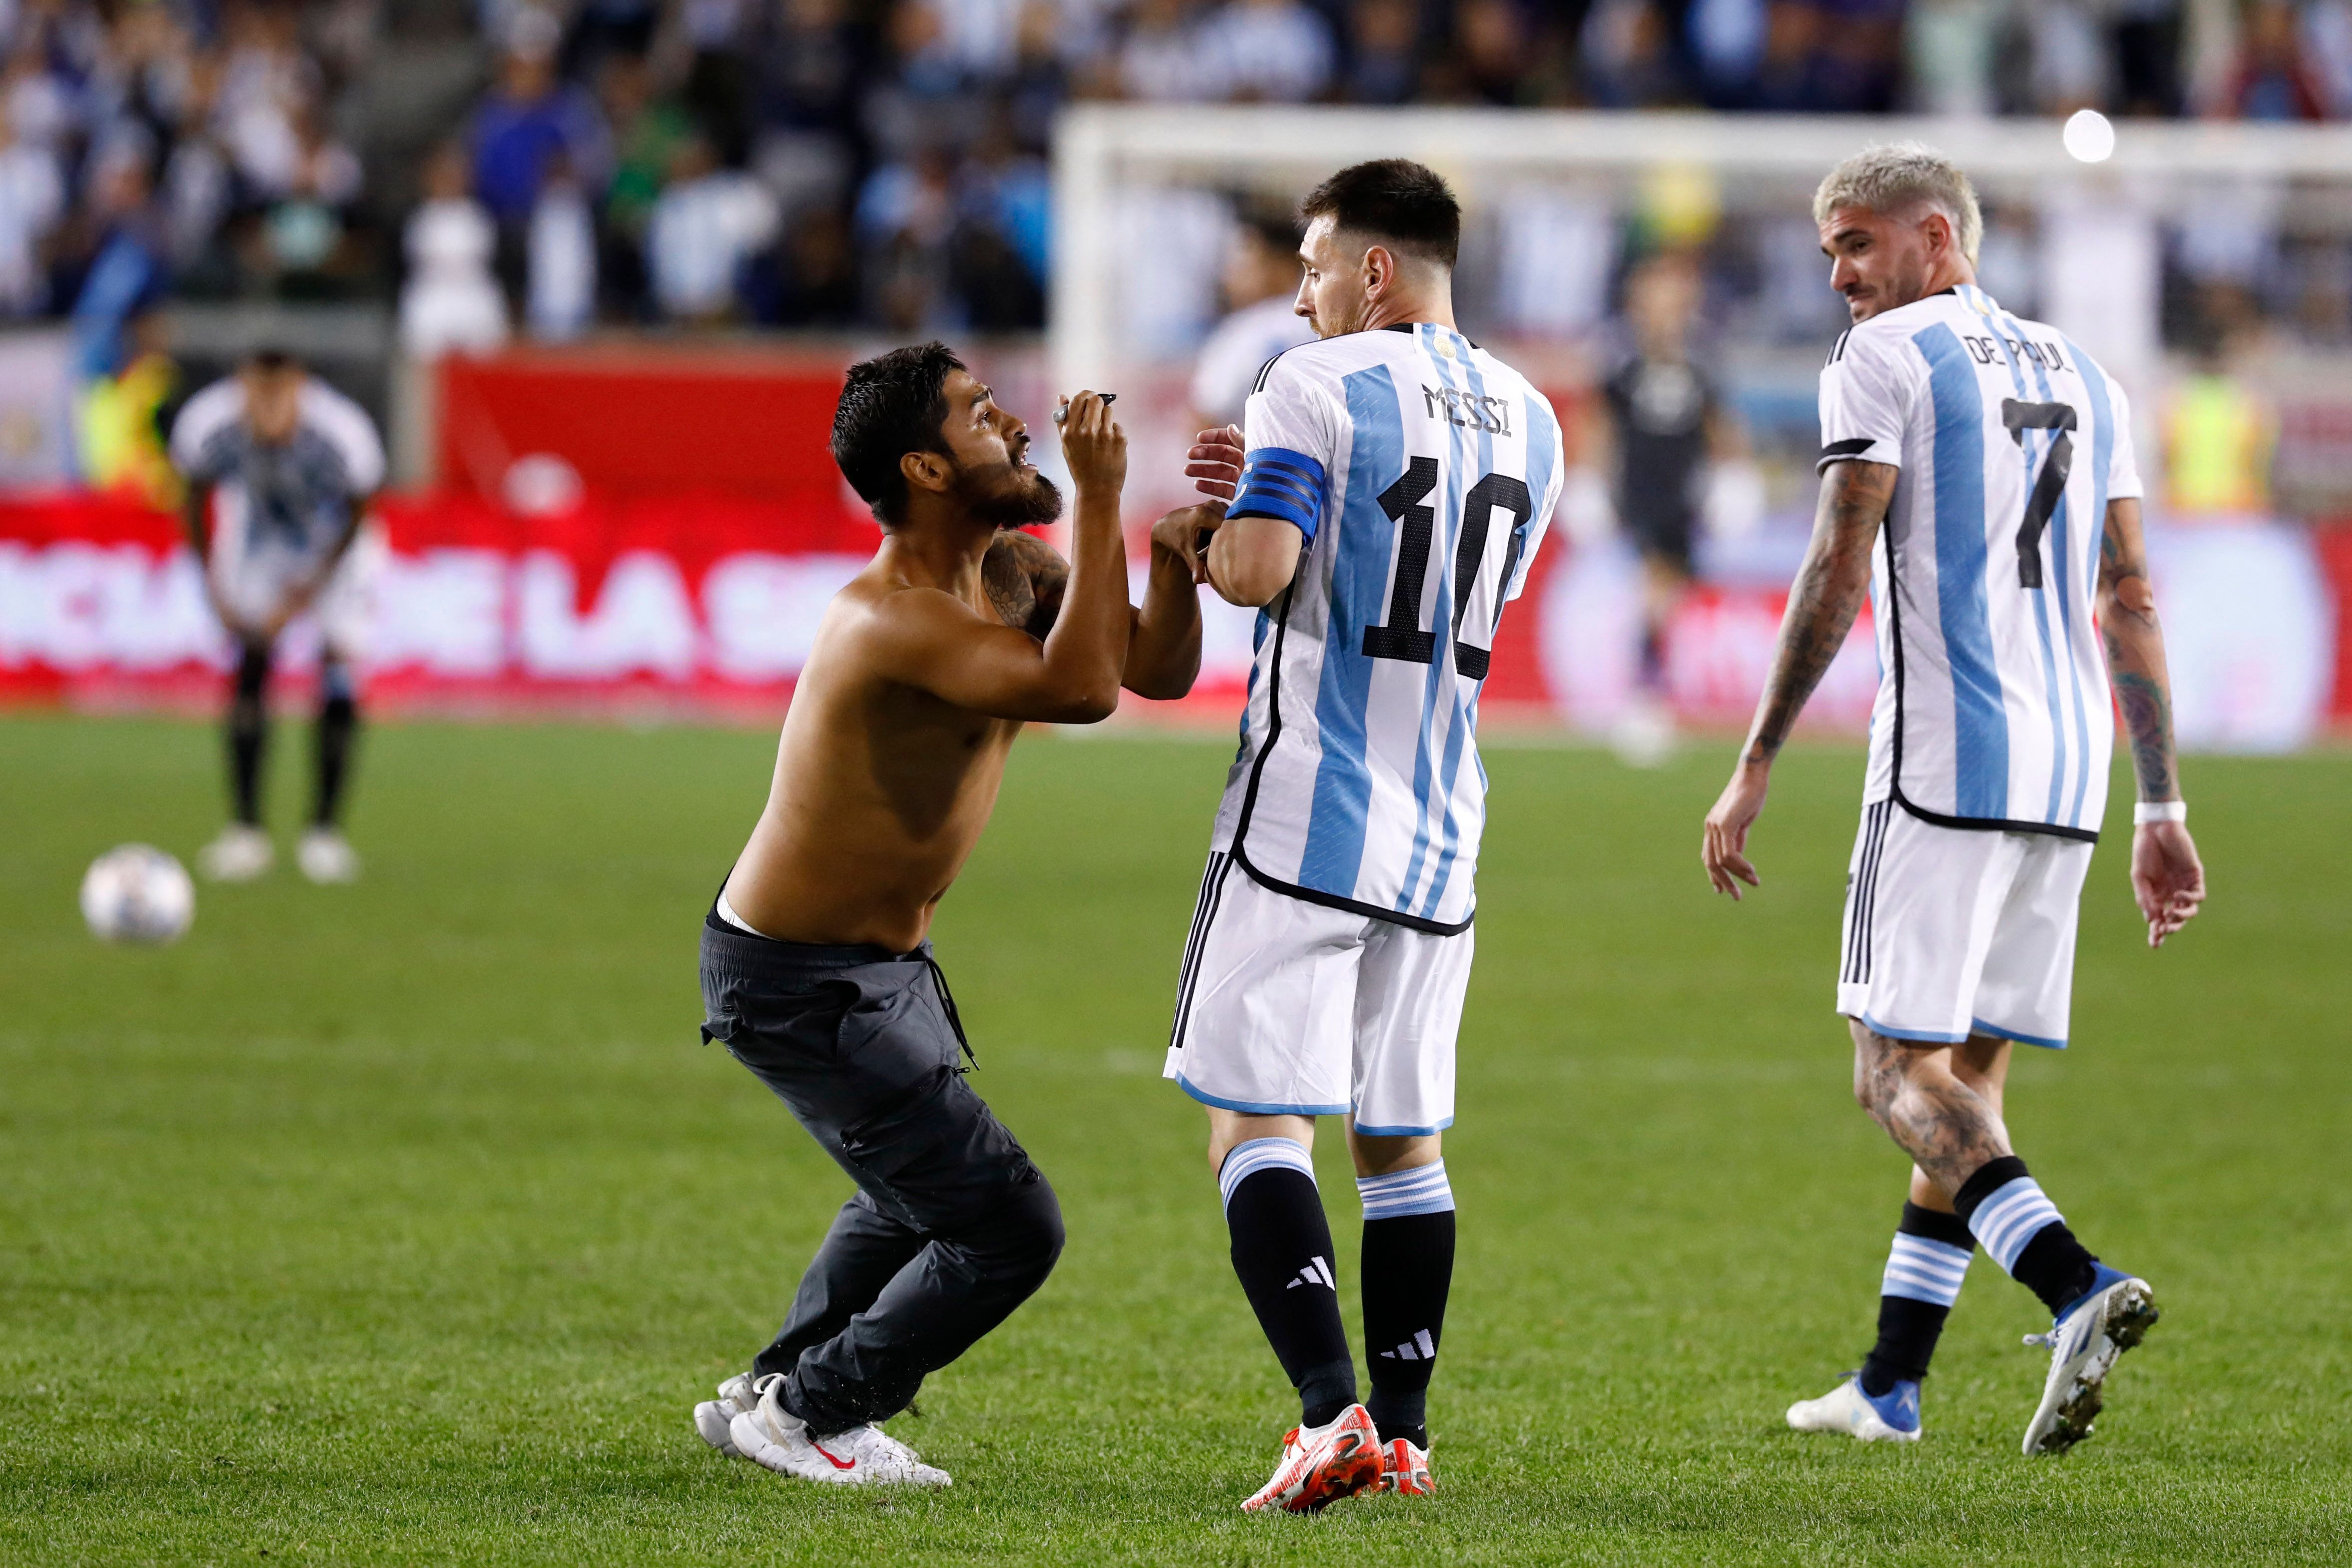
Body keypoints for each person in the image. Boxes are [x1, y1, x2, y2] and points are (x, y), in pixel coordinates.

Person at [1700, 144, 2206, 1455]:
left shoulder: (1885, 360)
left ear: (1937, 235)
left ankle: (2074, 1282)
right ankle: (1890, 1380)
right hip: (2066, 773)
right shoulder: (2089, 374)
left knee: (1888, 1071)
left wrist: (1757, 753)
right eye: (1828, 254)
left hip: (1943, 766)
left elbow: (1837, 551)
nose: (1840, 277)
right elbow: (2131, 593)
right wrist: (2160, 800)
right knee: (1969, 1077)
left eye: (1856, 246)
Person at [694, 344, 1218, 1488]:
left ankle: (773, 1387)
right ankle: (816, 1411)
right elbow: (1078, 692)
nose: (1019, 428)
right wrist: (1102, 495)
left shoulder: (1009, 572)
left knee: (913, 1193)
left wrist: (1169, 563)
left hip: (874, 967)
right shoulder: (891, 616)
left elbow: (1151, 670)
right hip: (797, 978)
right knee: (1007, 1224)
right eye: (986, 416)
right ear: (928, 467)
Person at [1166, 160, 1565, 1512]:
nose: (1302, 290)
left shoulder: (1311, 381)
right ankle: (1404, 1435)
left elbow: (1267, 573)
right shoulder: (1538, 418)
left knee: (1251, 1115)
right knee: (1403, 1137)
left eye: (1316, 264)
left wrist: (1208, 536)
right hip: (1443, 814)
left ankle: (1326, 1408)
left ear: (1374, 273)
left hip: (1305, 805)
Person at [173, 350, 386, 885]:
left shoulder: (343, 431)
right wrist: (213, 589)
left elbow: (360, 510)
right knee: (250, 660)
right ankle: (246, 832)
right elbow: (194, 497)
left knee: (338, 665)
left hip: (335, 547)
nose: (266, 409)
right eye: (255, 394)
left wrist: (305, 595)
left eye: (279, 395)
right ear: (240, 387)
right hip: (257, 543)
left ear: (300, 388)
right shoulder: (208, 423)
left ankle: (324, 833)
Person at [1596, 248, 1745, 764]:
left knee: (1667, 596)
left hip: (1685, 494)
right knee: (1654, 589)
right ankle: (1643, 697)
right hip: (1639, 492)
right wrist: (1592, 481)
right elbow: (1600, 422)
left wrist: (1732, 476)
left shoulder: (1698, 362)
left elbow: (1719, 426)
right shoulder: (1621, 361)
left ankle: (1648, 689)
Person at [1187, 204, 1315, 436]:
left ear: (1283, 265)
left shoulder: (1245, 333)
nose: (1229, 275)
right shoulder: (1337, 320)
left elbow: (1204, 423)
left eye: (1243, 261)